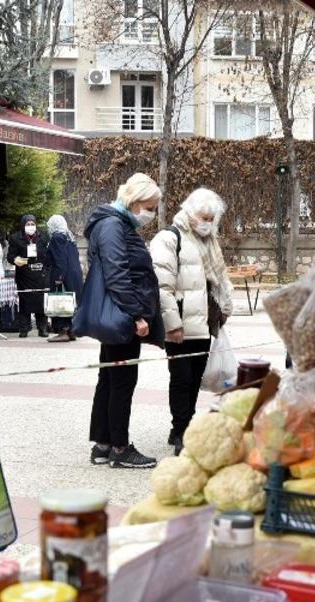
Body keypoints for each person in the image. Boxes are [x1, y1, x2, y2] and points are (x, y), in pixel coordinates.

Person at [74, 172, 165, 469]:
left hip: (115, 314)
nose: (151, 213)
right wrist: (137, 314)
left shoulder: (111, 222)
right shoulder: (114, 225)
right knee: (121, 382)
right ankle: (120, 448)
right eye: (149, 207)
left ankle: (102, 445)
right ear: (134, 201)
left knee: (110, 379)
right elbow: (117, 274)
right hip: (121, 316)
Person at [150, 188, 233, 453]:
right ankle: (181, 431)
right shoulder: (169, 238)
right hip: (181, 323)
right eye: (203, 217)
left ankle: (182, 427)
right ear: (190, 212)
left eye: (211, 218)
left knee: (196, 376)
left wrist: (224, 308)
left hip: (204, 323)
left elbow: (218, 279)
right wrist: (172, 323)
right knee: (181, 377)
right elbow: (163, 286)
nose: (207, 222)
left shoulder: (210, 242)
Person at [7, 214, 51, 337]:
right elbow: (10, 256)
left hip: (40, 274)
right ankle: (24, 328)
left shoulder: (43, 237)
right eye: (28, 224)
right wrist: (15, 260)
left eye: (32, 224)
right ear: (23, 225)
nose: (30, 226)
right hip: (24, 274)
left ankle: (42, 328)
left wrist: (47, 269)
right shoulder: (15, 238)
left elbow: (48, 255)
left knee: (41, 302)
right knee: (25, 302)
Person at [44, 214, 83, 342]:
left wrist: (59, 277)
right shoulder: (69, 236)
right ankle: (71, 330)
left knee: (60, 300)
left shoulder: (57, 237)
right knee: (69, 301)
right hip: (74, 274)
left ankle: (63, 330)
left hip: (63, 274)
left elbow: (60, 259)